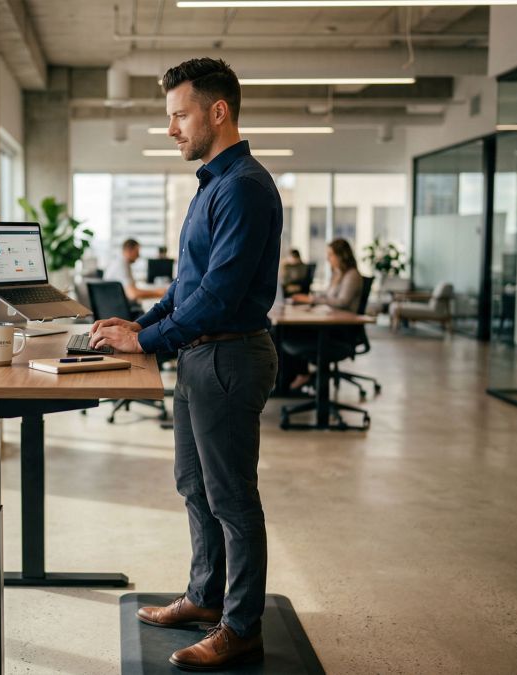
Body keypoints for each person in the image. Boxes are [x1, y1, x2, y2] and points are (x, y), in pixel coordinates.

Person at [90, 57, 281, 671]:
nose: (171, 128)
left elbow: (220, 298)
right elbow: (186, 287)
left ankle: (241, 625)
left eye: (179, 115)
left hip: (229, 356)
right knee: (194, 487)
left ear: (217, 111)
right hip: (201, 356)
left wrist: (145, 344)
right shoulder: (211, 186)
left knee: (232, 499)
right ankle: (205, 597)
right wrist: (139, 326)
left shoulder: (244, 187)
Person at [286, 238, 364, 390]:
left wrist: (312, 299)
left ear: (342, 256)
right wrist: (312, 301)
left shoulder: (352, 275)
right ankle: (294, 377)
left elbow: (342, 302)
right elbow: (329, 297)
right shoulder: (338, 275)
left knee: (292, 332)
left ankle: (300, 375)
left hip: (341, 330)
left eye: (331, 255)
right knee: (289, 330)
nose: (328, 259)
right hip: (331, 323)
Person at [102, 238, 167, 302]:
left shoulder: (119, 262)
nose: (138, 255)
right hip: (118, 308)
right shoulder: (121, 265)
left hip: (115, 304)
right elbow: (133, 294)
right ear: (129, 250)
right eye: (137, 252)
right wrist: (158, 293)